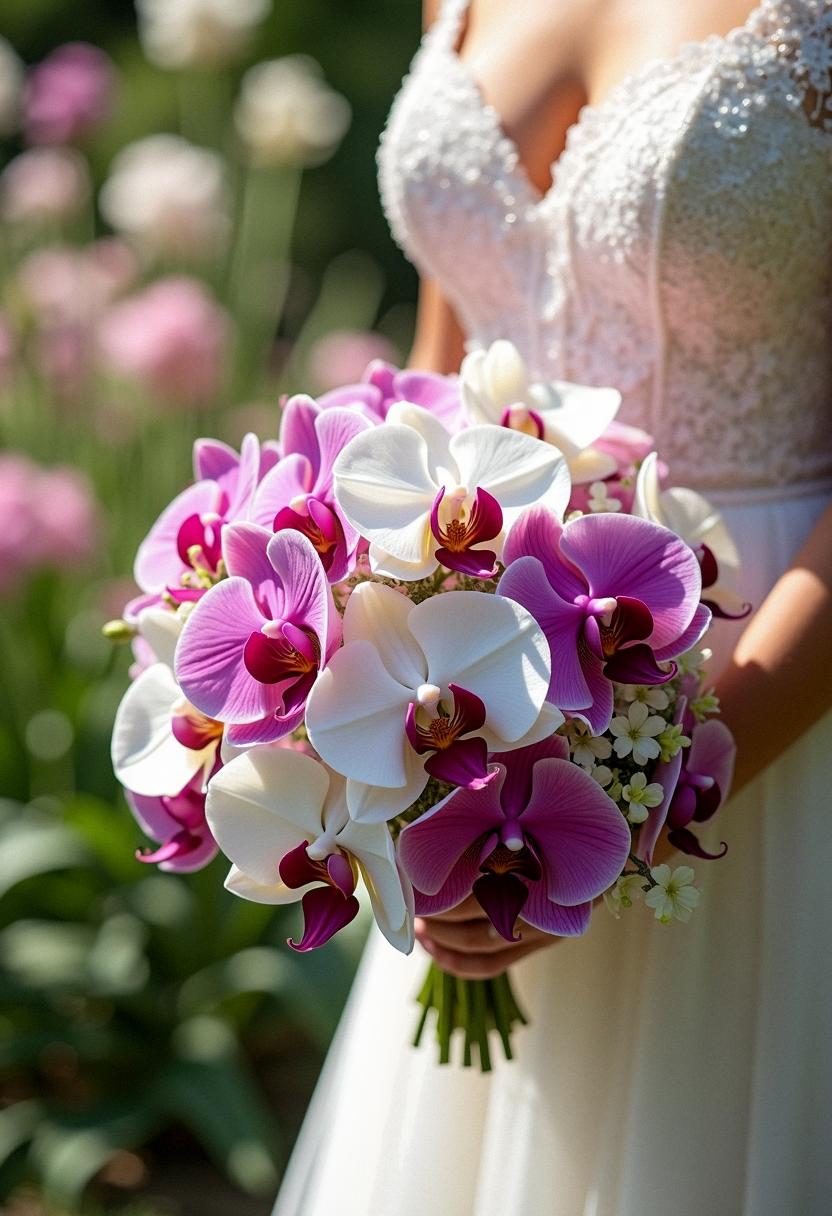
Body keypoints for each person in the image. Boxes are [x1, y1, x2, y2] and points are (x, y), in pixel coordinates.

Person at [275, 1, 832, 1211]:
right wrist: (370, 704)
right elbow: (442, 373)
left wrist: (652, 793)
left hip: (767, 694)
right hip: (474, 686)